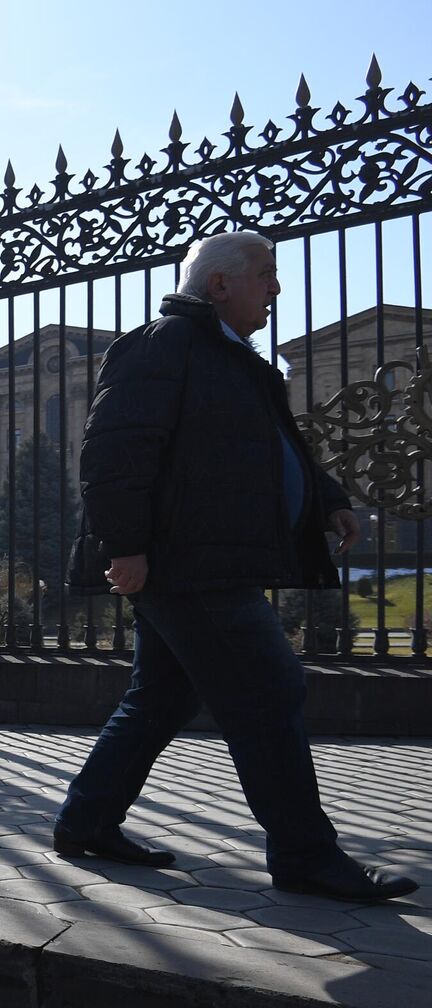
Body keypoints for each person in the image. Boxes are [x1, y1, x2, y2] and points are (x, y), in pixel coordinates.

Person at [59, 230, 417, 903]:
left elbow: (275, 446)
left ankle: (87, 820)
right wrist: (125, 547)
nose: (275, 287)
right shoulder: (160, 345)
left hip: (208, 558)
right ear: (220, 283)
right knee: (270, 690)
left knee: (161, 696)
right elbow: (112, 452)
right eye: (265, 273)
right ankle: (306, 855)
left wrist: (329, 501)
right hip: (188, 561)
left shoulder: (236, 360)